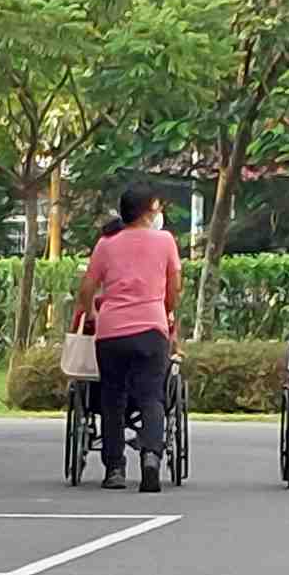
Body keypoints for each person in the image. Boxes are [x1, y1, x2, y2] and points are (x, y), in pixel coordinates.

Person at [75, 186, 181, 492]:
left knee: (112, 398)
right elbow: (174, 286)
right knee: (151, 397)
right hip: (151, 328)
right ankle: (150, 457)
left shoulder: (106, 244)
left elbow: (87, 289)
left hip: (111, 332)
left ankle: (115, 469)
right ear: (149, 210)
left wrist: (92, 314)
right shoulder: (165, 241)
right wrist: (166, 310)